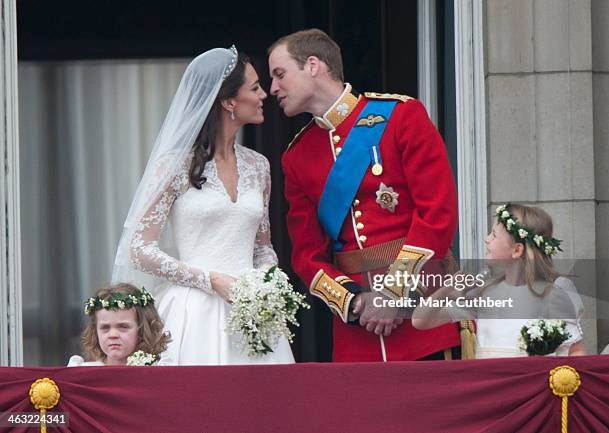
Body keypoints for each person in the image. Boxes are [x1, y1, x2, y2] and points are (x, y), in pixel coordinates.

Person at [268, 29, 460, 362]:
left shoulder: (401, 116)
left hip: (422, 315)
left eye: (279, 74)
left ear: (313, 65)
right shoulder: (296, 156)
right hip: (357, 333)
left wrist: (393, 293)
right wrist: (354, 301)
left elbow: (437, 213)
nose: (273, 88)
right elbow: (306, 255)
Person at [112, 47, 294, 365]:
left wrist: (266, 286)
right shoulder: (175, 165)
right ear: (228, 101)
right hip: (195, 311)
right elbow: (138, 249)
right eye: (254, 88)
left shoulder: (259, 166)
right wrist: (211, 280)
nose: (264, 94)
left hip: (253, 313)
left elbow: (262, 247)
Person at [412, 203, 586, 358]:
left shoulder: (554, 291)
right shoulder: (485, 293)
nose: (487, 239)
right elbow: (420, 321)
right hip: (492, 390)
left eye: (494, 235)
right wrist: (445, 292)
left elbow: (576, 351)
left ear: (517, 250)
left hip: (537, 390)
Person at [68, 283, 171, 366]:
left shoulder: (158, 370)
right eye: (105, 327)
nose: (113, 335)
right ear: (95, 331)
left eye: (123, 327)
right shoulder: (84, 371)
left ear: (143, 329)